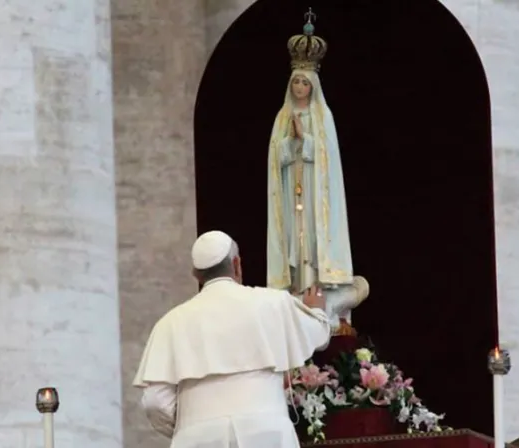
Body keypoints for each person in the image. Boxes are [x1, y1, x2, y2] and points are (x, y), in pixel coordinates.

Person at [133, 230, 331, 447]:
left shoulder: (170, 322)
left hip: (197, 439)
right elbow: (318, 335)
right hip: (267, 432)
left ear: (196, 275)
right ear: (237, 264)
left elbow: (155, 402)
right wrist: (317, 311)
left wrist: (189, 427)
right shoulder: (274, 303)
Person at [266, 13, 369, 334]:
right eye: (296, 81)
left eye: (305, 82)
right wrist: (290, 143)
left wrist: (306, 140)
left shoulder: (323, 117)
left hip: (314, 191)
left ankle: (320, 292)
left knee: (311, 235)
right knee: (294, 238)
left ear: (313, 86)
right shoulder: (283, 117)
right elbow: (275, 159)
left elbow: (328, 160)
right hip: (290, 189)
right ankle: (298, 289)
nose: (299, 87)